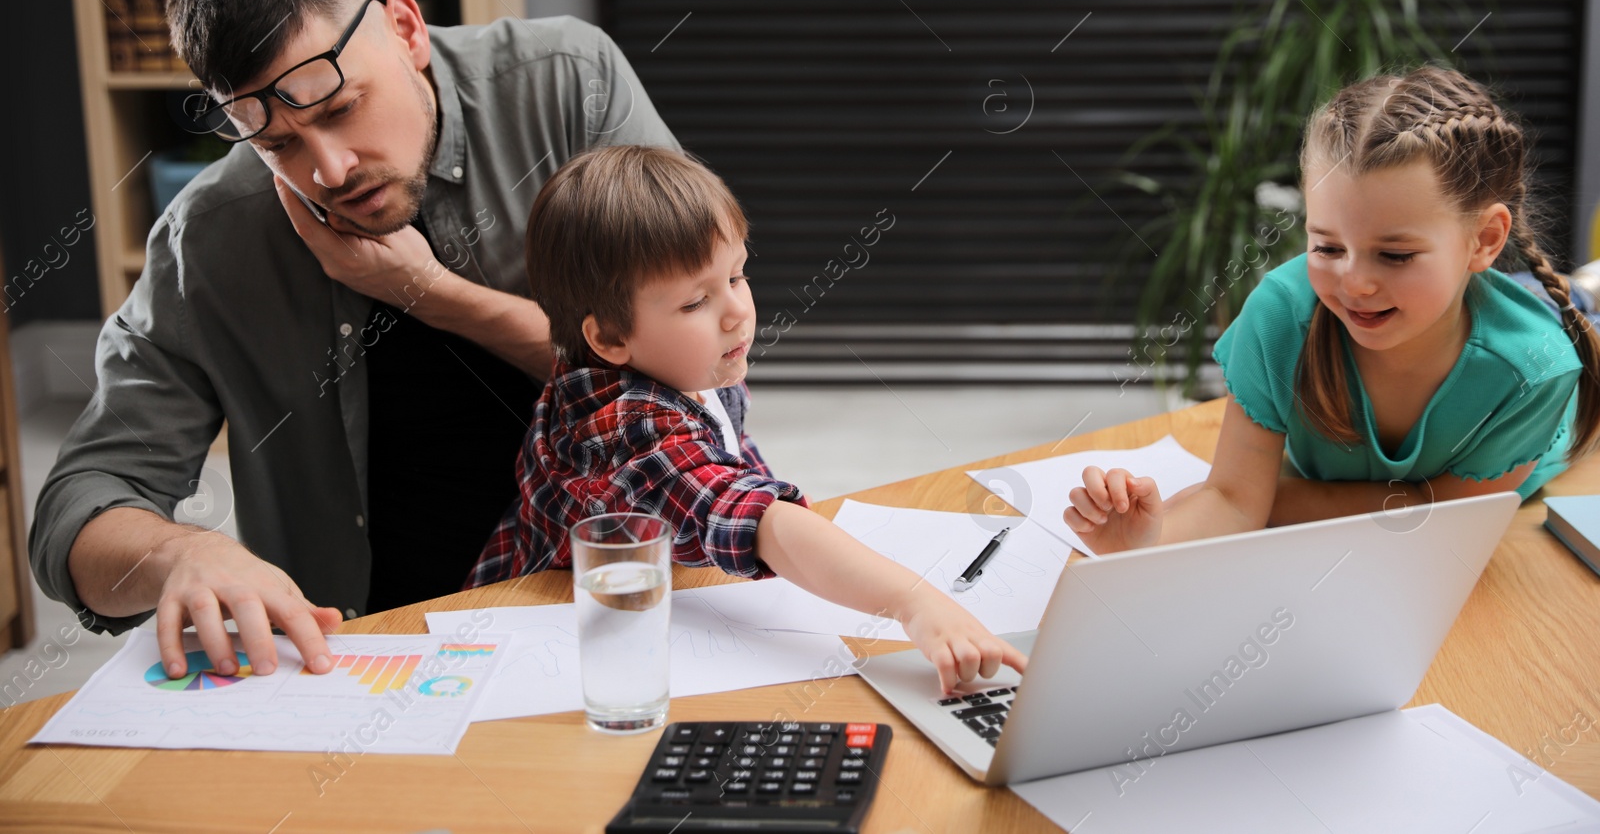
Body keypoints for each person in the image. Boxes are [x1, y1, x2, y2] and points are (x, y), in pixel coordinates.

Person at [28, 0, 678, 681]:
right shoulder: (212, 237)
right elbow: (78, 504)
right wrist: (182, 553)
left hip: (624, 597)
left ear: (406, 28)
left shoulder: (570, 87)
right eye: (279, 145)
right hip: (374, 656)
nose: (330, 169)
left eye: (340, 110)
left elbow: (695, 370)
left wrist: (431, 293)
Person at [467, 145, 1027, 693]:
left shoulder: (686, 367)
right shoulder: (628, 428)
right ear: (610, 337)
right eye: (695, 302)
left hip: (647, 613)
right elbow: (755, 517)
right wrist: (915, 602)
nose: (738, 310)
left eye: (736, 276)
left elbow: (736, 472)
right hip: (539, 657)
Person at [1066, 65, 1600, 552]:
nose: (1355, 284)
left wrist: (1274, 499)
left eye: (1394, 254)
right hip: (1461, 299)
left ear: (1485, 239)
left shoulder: (1539, 368)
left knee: (1575, 308)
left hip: (1530, 339)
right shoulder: (1280, 313)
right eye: (1326, 247)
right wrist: (1150, 537)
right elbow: (1232, 502)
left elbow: (1441, 518)